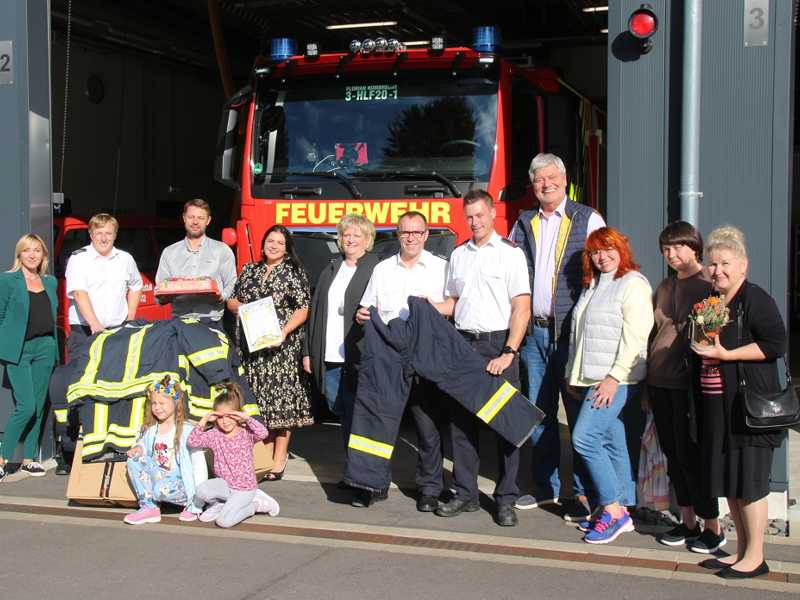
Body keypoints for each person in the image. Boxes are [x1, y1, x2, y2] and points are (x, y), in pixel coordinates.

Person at [510, 153, 605, 521]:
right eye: (539, 179)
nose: (546, 184)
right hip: (534, 334)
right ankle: (545, 488)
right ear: (532, 185)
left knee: (579, 415)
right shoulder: (523, 222)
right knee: (539, 413)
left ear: (564, 180)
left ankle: (580, 493)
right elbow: (508, 270)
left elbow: (605, 271)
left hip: (571, 335)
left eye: (552, 177)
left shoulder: (588, 218)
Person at [691, 226, 785, 579]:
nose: (718, 271)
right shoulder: (712, 301)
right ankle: (742, 550)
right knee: (731, 481)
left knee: (750, 484)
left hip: (748, 408)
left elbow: (775, 344)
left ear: (743, 265)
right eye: (713, 264)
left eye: (725, 264)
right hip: (719, 408)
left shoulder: (755, 298)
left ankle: (756, 557)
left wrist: (727, 355)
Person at [432, 189, 531, 527]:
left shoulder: (510, 254)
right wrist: (427, 307)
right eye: (469, 217)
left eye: (479, 215)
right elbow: (453, 302)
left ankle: (506, 499)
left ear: (492, 214)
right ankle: (466, 494)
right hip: (464, 347)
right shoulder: (458, 255)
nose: (474, 222)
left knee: (506, 426)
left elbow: (521, 307)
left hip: (497, 345)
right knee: (461, 425)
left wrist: (509, 352)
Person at [565, 227, 653, 544]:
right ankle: (622, 508)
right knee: (612, 441)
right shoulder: (594, 285)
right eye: (595, 252)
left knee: (585, 438)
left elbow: (636, 335)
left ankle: (613, 510)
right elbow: (580, 335)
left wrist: (615, 377)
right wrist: (572, 374)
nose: (602, 257)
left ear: (622, 249)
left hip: (616, 379)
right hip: (591, 378)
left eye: (608, 249)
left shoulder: (633, 284)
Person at [356, 211, 448, 511]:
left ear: (426, 235)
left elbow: (454, 306)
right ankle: (373, 484)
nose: (411, 238)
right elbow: (367, 307)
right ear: (397, 234)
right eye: (405, 232)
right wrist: (362, 315)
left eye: (417, 232)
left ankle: (430, 489)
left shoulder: (441, 268)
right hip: (387, 355)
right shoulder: (382, 269)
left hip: (426, 353)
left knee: (428, 427)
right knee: (379, 424)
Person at [648, 222, 725, 552]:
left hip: (690, 385)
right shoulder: (665, 286)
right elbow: (655, 332)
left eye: (678, 246)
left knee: (693, 455)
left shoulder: (709, 284)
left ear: (694, 247)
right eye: (666, 248)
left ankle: (713, 527)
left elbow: (710, 335)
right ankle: (688, 522)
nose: (671, 253)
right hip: (659, 381)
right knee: (673, 455)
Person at [228, 225, 313, 481]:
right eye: (270, 241)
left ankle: (279, 456)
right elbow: (231, 300)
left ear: (287, 248)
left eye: (279, 242)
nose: (273, 246)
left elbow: (303, 308)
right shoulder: (249, 270)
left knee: (281, 402)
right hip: (252, 350)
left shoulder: (294, 272)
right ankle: (264, 451)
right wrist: (242, 308)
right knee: (259, 401)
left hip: (281, 349)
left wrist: (283, 332)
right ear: (263, 243)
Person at [303, 215, 380, 449]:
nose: (351, 239)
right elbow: (315, 311)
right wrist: (308, 352)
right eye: (347, 235)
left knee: (361, 413)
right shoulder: (331, 268)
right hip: (331, 356)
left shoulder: (377, 267)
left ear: (367, 239)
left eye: (357, 235)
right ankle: (352, 461)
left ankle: (362, 464)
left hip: (360, 355)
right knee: (340, 409)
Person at [0, 234, 58, 480]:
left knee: (39, 405)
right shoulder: (7, 280)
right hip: (19, 350)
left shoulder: (50, 282)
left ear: (43, 255)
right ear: (19, 254)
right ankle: (2, 457)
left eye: (37, 250)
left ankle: (29, 459)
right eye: (27, 250)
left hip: (45, 347)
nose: (32, 255)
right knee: (26, 406)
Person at [188, 382, 280, 528]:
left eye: (230, 416)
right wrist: (204, 421)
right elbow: (192, 442)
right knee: (201, 490)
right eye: (220, 417)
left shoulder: (246, 433)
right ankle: (221, 504)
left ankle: (254, 505)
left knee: (223, 522)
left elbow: (263, 433)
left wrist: (247, 419)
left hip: (244, 489)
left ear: (237, 415)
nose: (225, 421)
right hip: (225, 485)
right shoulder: (214, 434)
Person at [123, 376, 208, 524]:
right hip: (160, 480)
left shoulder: (187, 430)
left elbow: (199, 465)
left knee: (160, 489)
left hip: (181, 485)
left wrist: (197, 503)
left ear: (175, 403)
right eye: (154, 403)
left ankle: (189, 505)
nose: (157, 407)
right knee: (133, 460)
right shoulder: (152, 430)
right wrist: (138, 448)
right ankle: (150, 507)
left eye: (162, 403)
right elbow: (143, 446)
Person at [64, 213, 142, 355]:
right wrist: (95, 325)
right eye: (99, 233)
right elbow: (79, 293)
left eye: (108, 233)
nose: (104, 238)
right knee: (83, 369)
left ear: (115, 235)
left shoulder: (125, 259)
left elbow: (136, 285)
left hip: (118, 331)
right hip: (86, 331)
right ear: (91, 235)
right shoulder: (78, 258)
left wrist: (130, 317)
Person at [155, 199, 237, 328]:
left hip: (211, 321)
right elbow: (160, 289)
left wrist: (222, 296)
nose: (195, 222)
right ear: (184, 218)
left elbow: (232, 282)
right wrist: (166, 295)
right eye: (191, 217)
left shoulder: (221, 250)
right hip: (180, 321)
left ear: (208, 220)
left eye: (200, 218)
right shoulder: (169, 252)